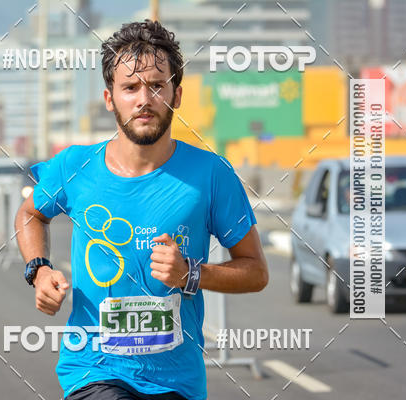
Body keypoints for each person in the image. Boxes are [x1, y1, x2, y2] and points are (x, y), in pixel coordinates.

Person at [15, 19, 269, 400]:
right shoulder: (74, 166)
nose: (144, 99)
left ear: (177, 95)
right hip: (94, 371)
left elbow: (256, 271)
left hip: (178, 384)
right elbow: (30, 214)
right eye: (130, 87)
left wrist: (190, 274)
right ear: (109, 98)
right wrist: (39, 270)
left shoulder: (211, 174)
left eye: (156, 86)